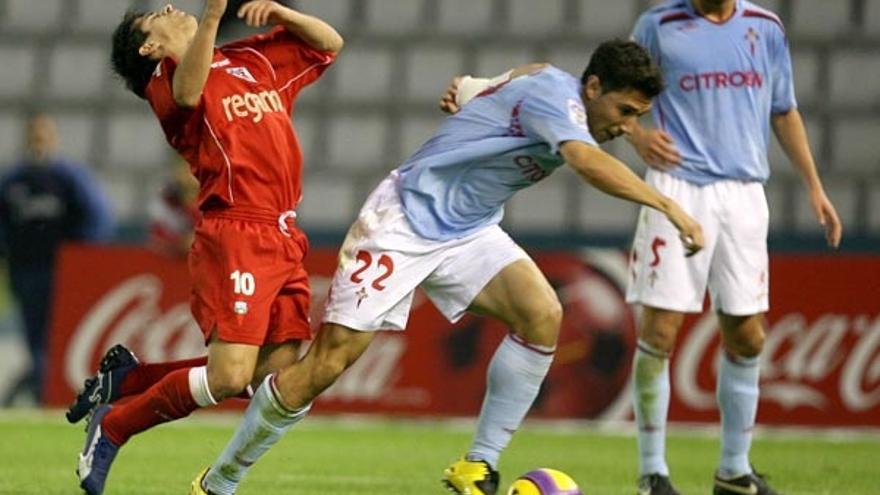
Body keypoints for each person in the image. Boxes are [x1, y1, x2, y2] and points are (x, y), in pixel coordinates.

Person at [189, 40, 705, 495]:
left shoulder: (545, 80)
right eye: (625, 110)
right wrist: (669, 207)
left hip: (468, 230)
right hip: (405, 220)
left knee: (543, 313)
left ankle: (477, 466)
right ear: (592, 87)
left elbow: (521, 73)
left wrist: (474, 88)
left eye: (638, 116)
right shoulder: (558, 100)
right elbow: (586, 161)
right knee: (326, 365)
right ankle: (219, 482)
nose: (626, 125)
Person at [68, 2, 343, 494]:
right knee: (228, 375)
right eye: (155, 15)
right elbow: (189, 93)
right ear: (150, 47)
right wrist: (213, 16)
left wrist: (282, 12)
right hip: (236, 232)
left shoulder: (251, 61)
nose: (171, 6)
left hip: (284, 234)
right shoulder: (166, 85)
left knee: (270, 383)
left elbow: (329, 43)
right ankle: (113, 427)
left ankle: (134, 380)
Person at [623, 2, 843, 495]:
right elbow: (609, 93)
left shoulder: (764, 28)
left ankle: (733, 471)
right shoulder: (658, 26)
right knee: (659, 330)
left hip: (743, 195)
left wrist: (814, 186)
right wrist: (637, 135)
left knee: (748, 337)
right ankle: (652, 473)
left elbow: (783, 110)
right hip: (675, 187)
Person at [0, 114, 113, 405]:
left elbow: (97, 218)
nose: (40, 142)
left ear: (54, 138)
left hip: (64, 272)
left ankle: (56, 392)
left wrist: (80, 257)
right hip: (26, 270)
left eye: (44, 135)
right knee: (35, 335)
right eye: (35, 136)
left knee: (62, 335)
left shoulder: (68, 178)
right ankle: (43, 393)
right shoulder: (14, 181)